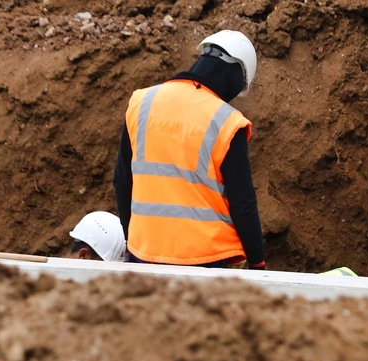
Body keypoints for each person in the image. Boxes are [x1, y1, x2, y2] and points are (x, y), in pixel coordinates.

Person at [113, 30, 266, 270]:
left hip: (143, 255)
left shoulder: (142, 102)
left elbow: (122, 181)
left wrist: (133, 239)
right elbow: (242, 202)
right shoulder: (226, 121)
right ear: (235, 74)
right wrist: (257, 261)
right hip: (205, 261)